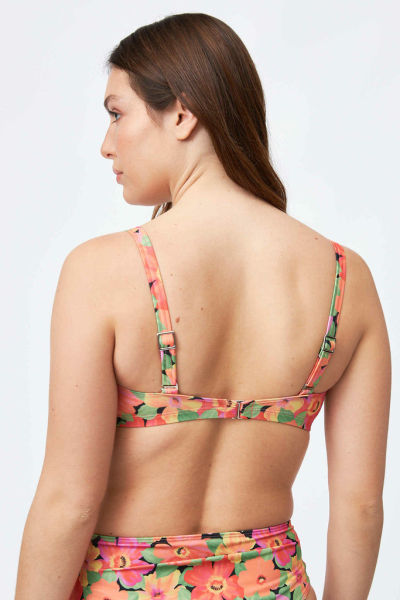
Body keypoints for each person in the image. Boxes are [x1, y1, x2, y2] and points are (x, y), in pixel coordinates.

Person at [14, 13, 391, 600]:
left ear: (181, 114)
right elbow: (361, 505)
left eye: (117, 113)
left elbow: (69, 503)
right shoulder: (347, 279)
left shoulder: (101, 271)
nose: (107, 144)